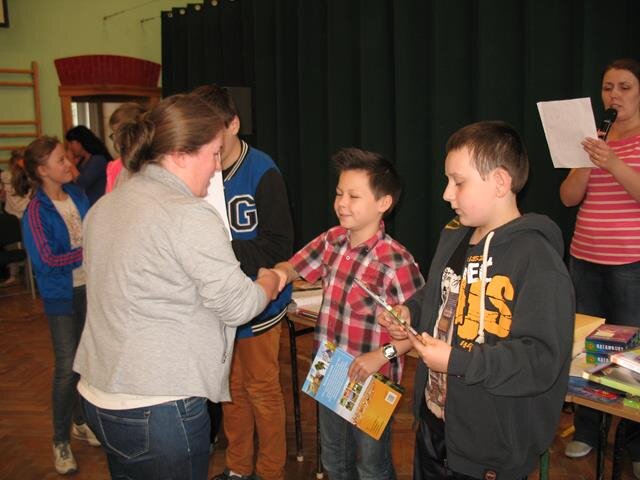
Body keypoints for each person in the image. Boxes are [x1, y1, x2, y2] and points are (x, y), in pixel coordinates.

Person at [72, 93, 283, 480]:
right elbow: (238, 306)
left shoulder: (106, 206)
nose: (217, 167)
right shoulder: (188, 214)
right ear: (181, 154)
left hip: (98, 396)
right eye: (214, 154)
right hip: (159, 405)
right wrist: (270, 281)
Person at [379, 121, 574, 479]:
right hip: (434, 425)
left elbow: (540, 360)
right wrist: (410, 312)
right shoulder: (454, 236)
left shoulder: (537, 260)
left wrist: (457, 361)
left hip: (490, 447)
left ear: (499, 182)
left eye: (458, 182)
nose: (446, 194)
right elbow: (438, 295)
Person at [274, 148, 424, 480]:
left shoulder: (396, 261)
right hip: (329, 368)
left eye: (354, 196)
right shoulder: (332, 240)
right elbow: (295, 266)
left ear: (383, 203)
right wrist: (278, 274)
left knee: (371, 466)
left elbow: (418, 336)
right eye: (339, 193)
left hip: (373, 378)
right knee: (333, 460)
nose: (342, 203)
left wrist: (380, 356)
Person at [193, 84, 294, 480]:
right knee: (229, 389)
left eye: (213, 131)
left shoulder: (262, 170)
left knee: (262, 390)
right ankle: (238, 468)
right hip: (218, 302)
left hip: (260, 301)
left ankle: (270, 471)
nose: (206, 142)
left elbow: (279, 246)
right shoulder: (199, 169)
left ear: (234, 124)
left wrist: (219, 250)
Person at [560, 58, 640, 475]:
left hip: (630, 262)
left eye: (625, 87)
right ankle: (587, 429)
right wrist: (586, 160)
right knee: (586, 349)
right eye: (608, 87)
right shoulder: (593, 137)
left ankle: (634, 443)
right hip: (584, 257)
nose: (614, 95)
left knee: (631, 355)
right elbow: (568, 198)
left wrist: (613, 163)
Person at [15, 136, 100, 475]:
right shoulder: (36, 211)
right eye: (61, 160)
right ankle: (59, 440)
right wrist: (87, 252)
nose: (69, 163)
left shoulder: (77, 196)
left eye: (67, 157)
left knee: (85, 360)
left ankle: (80, 420)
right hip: (61, 297)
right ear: (42, 170)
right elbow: (47, 260)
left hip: (88, 291)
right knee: (67, 366)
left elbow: (94, 233)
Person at [105, 102, 147, 192]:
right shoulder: (114, 167)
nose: (117, 141)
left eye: (120, 135)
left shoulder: (153, 162)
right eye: (114, 135)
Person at [65, 125, 112, 205]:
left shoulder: (98, 160)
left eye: (71, 143)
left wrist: (71, 163)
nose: (70, 147)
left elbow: (82, 184)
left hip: (98, 206)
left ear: (80, 142)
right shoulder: (83, 160)